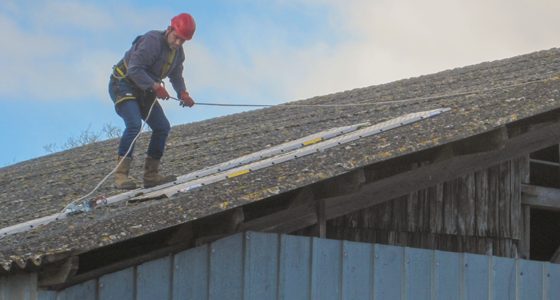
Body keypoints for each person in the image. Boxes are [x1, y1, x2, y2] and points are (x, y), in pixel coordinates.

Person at [109, 13, 196, 190]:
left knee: (162, 126)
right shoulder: (152, 41)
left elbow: (176, 75)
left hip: (145, 89)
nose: (178, 43)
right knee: (134, 124)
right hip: (124, 83)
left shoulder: (177, 53)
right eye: (176, 38)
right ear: (169, 29)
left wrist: (183, 92)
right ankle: (120, 176)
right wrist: (156, 87)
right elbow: (134, 69)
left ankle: (151, 175)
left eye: (182, 41)